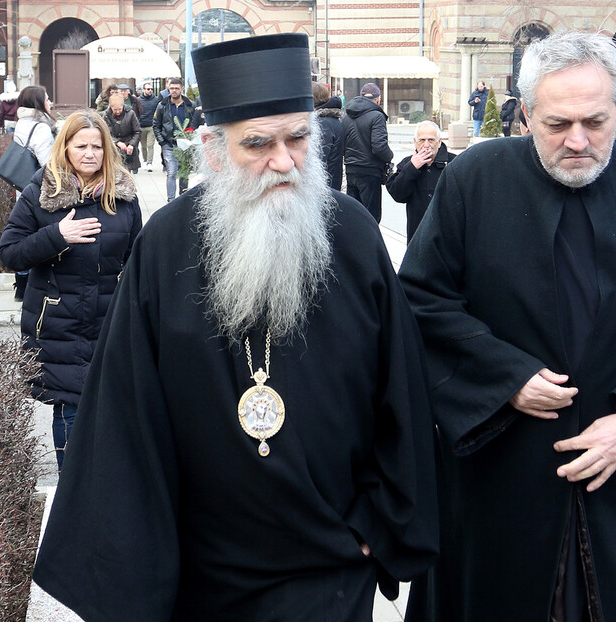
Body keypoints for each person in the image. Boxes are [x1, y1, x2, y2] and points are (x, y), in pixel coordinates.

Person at [31, 33, 438, 620]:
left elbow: (402, 389)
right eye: (258, 144)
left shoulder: (350, 234)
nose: (284, 160)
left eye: (298, 137)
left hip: (332, 564)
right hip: (204, 576)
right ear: (214, 150)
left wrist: (378, 524)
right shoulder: (166, 245)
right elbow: (126, 413)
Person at [399, 31, 616, 622]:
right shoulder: (475, 178)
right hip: (496, 470)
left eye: (595, 121)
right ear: (525, 114)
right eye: (556, 124)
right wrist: (507, 378)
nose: (577, 141)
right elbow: (421, 301)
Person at [0, 109, 143, 471]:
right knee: (72, 411)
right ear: (65, 148)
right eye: (81, 146)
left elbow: (138, 257)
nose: (89, 153)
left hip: (110, 323)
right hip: (59, 324)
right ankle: (71, 498)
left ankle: (104, 499)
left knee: (112, 414)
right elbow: (10, 253)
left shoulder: (123, 193)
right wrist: (56, 236)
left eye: (96, 146)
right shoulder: (41, 191)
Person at [10, 85, 58, 302]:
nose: (50, 102)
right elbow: (48, 163)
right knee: (40, 240)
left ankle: (20, 285)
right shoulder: (40, 128)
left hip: (23, 189)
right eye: (47, 99)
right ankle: (31, 287)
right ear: (39, 102)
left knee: (25, 235)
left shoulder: (22, 122)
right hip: (41, 192)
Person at [386, 120, 455, 242]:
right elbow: (398, 195)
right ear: (415, 142)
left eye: (431, 140)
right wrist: (412, 168)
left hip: (448, 235)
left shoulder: (454, 163)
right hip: (418, 234)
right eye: (422, 140)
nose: (426, 145)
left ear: (439, 142)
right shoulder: (407, 164)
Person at [342, 82, 392, 222]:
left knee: (354, 216)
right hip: (370, 173)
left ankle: (354, 243)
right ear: (378, 100)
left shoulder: (347, 116)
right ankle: (370, 244)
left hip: (351, 171)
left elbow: (342, 145)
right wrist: (390, 157)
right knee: (371, 218)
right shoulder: (377, 116)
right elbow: (379, 147)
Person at [153, 77, 200, 201]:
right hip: (169, 144)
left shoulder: (190, 105)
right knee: (172, 172)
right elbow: (156, 124)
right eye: (171, 88)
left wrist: (191, 138)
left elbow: (194, 123)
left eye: (176, 88)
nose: (174, 91)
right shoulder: (162, 105)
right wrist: (162, 142)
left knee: (184, 174)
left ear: (182, 89)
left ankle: (182, 199)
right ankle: (171, 200)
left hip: (185, 144)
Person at [313, 81, 345, 191]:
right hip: (330, 182)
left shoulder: (324, 123)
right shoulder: (330, 119)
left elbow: (320, 157)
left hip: (325, 185)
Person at [104, 92, 141, 174]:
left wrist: (132, 144)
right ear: (111, 107)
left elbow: (137, 131)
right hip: (113, 147)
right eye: (115, 110)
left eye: (120, 109)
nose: (117, 112)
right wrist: (117, 142)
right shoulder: (106, 115)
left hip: (128, 146)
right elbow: (106, 133)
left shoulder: (130, 113)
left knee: (127, 174)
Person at [137, 81, 162, 172]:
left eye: (151, 89)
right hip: (141, 125)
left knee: (150, 145)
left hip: (151, 126)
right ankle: (145, 161)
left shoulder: (156, 100)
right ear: (143, 90)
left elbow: (158, 112)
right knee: (143, 145)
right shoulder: (138, 100)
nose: (150, 90)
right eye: (148, 89)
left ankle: (150, 163)